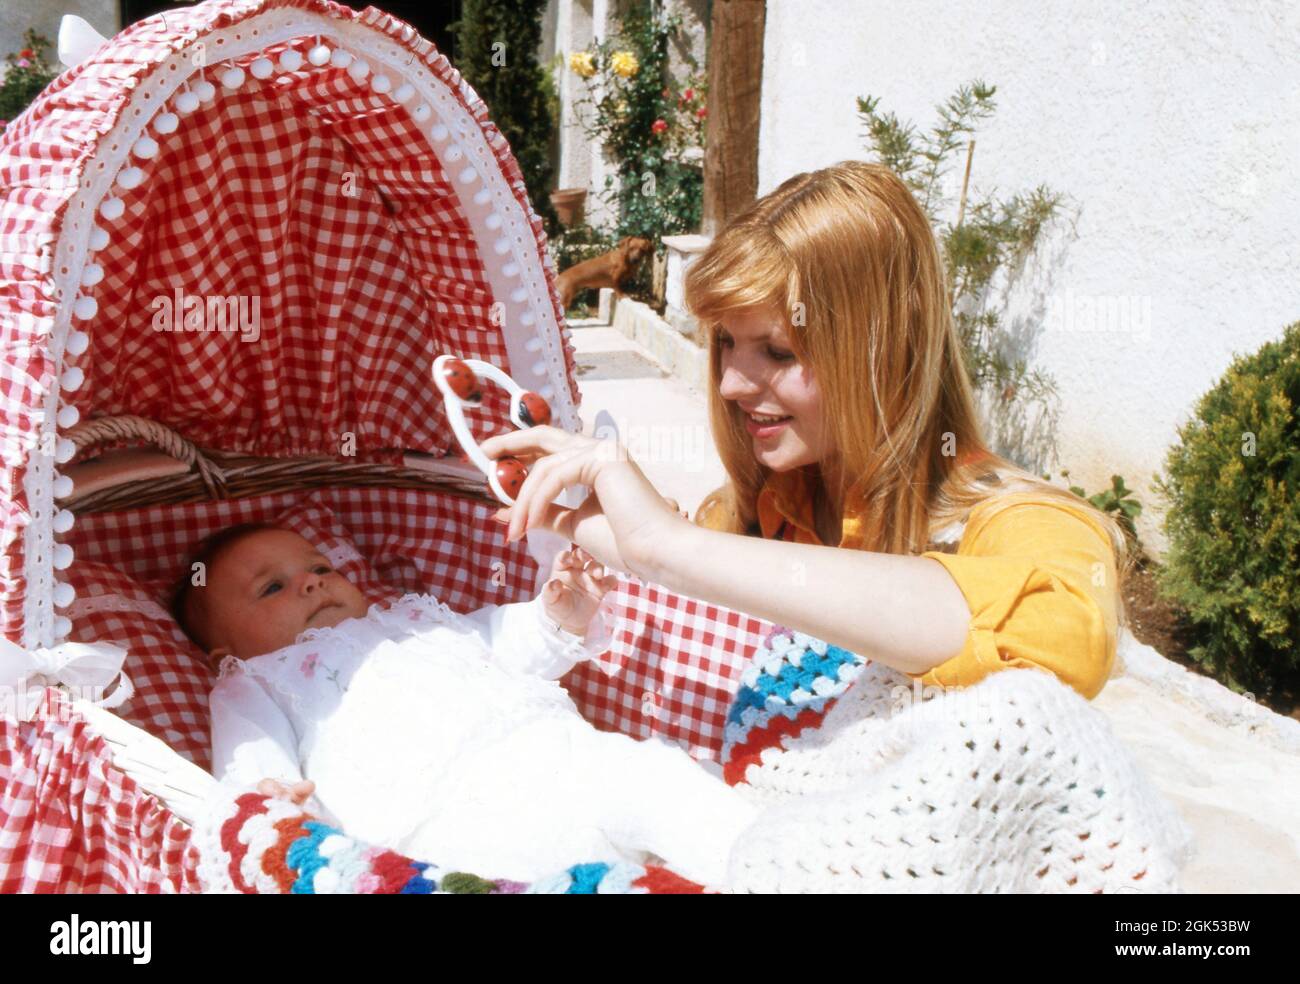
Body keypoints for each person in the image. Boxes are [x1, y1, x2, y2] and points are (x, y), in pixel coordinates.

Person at [480, 161, 1128, 701]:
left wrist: (669, 549)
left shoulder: (1023, 522)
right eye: (726, 344)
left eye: (779, 352)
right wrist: (586, 525)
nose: (731, 384)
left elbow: (1064, 634)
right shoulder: (749, 513)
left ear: (886, 350)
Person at [174, 524, 758, 884]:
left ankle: (779, 864)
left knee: (658, 777)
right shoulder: (251, 680)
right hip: (448, 819)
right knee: (516, 876)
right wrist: (271, 794)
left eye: (319, 567)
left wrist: (557, 616)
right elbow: (247, 761)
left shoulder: (411, 619)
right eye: (272, 587)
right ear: (221, 648)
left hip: (566, 756)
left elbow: (506, 642)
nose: (311, 582)